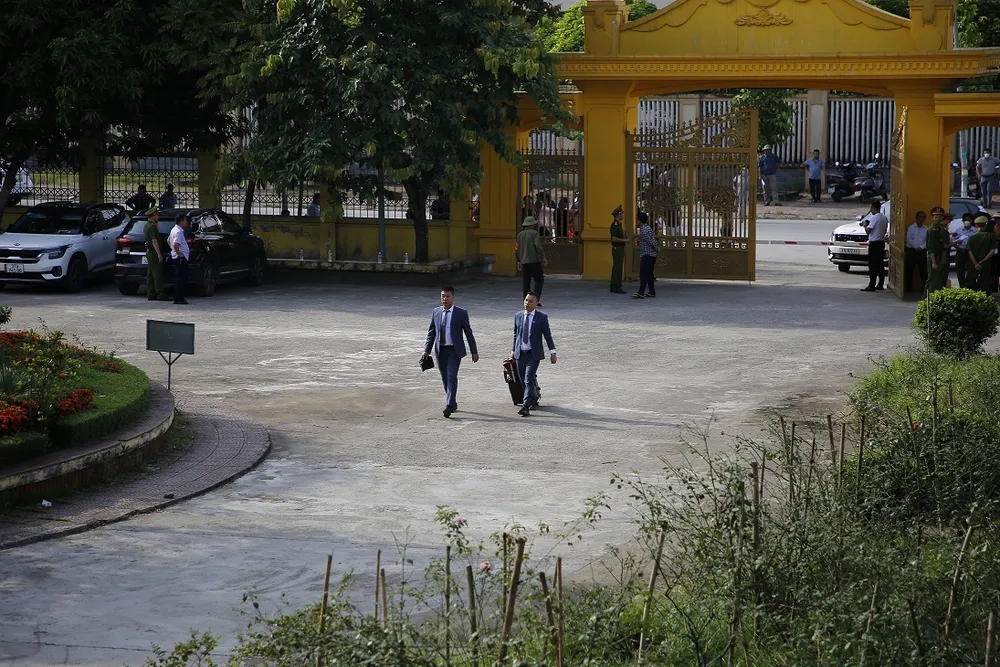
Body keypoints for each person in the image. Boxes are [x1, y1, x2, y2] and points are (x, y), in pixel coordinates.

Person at [421, 286, 479, 418]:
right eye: (443, 296)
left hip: (454, 350)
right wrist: (426, 350)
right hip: (440, 350)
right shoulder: (436, 312)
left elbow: (468, 333)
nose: (445, 299)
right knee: (445, 377)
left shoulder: (461, 313)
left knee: (452, 375)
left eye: (447, 296)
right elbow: (432, 332)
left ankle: (448, 405)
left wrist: (474, 351)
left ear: (453, 297)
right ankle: (452, 402)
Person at [511, 293, 556, 417]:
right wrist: (513, 351)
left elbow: (547, 335)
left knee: (528, 379)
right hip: (520, 353)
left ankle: (526, 406)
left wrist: (553, 352)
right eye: (526, 300)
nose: (527, 303)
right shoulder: (518, 316)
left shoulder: (541, 318)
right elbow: (516, 334)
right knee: (522, 380)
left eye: (530, 301)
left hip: (533, 354)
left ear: (536, 303)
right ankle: (532, 399)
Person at [516, 215, 545, 305]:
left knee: (526, 282)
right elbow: (538, 245)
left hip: (524, 261)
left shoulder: (520, 235)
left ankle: (526, 300)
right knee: (539, 280)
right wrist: (542, 255)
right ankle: (535, 299)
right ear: (532, 225)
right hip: (534, 260)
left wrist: (519, 261)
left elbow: (516, 249)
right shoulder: (534, 233)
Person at [860, 201, 888, 292]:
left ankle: (871, 285)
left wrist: (865, 225)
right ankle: (880, 284)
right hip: (881, 242)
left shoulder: (875, 218)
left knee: (872, 265)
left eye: (871, 208)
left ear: (873, 208)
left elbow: (868, 231)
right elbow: (884, 230)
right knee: (880, 264)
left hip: (874, 243)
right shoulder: (884, 218)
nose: (871, 210)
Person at [143, 207, 169, 301]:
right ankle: (160, 294)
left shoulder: (147, 225)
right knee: (157, 274)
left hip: (149, 251)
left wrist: (156, 223)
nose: (158, 217)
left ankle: (151, 293)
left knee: (150, 274)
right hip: (154, 252)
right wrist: (159, 254)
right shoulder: (151, 227)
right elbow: (154, 241)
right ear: (153, 216)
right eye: (156, 215)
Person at [966, 215, 997, 293]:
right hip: (985, 262)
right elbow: (992, 250)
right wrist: (983, 261)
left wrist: (976, 264)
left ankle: (973, 297)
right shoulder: (990, 236)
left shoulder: (971, 237)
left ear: (976, 225)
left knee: (971, 281)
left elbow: (970, 252)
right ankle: (984, 297)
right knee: (984, 282)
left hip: (973, 262)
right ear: (986, 224)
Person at [925, 206, 951, 294]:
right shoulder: (933, 230)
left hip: (939, 256)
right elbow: (931, 247)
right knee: (932, 280)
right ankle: (927, 298)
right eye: (935, 217)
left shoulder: (939, 229)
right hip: (934, 257)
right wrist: (934, 262)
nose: (937, 219)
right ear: (933, 218)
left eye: (939, 217)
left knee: (937, 279)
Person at [167, 213, 191, 305]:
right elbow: (175, 244)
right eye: (185, 220)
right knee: (181, 278)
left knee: (179, 277)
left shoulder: (174, 229)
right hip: (180, 258)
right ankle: (179, 298)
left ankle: (178, 297)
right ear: (181, 221)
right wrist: (179, 253)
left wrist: (173, 250)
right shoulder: (178, 232)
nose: (186, 222)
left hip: (176, 256)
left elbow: (168, 241)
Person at [633, 211, 658, 299]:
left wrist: (656, 248)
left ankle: (641, 292)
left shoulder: (644, 230)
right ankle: (652, 291)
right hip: (650, 254)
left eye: (637, 220)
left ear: (639, 221)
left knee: (643, 274)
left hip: (648, 254)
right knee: (649, 274)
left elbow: (650, 242)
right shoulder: (647, 228)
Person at [904, 210, 928, 293]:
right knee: (909, 270)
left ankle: (925, 288)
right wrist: (916, 247)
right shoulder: (911, 228)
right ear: (916, 218)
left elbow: (927, 240)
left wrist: (921, 247)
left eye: (923, 217)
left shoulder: (926, 229)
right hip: (912, 251)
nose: (921, 219)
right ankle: (908, 289)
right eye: (920, 217)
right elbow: (909, 239)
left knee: (923, 271)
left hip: (922, 252)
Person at [952, 213, 977, 288]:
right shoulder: (958, 230)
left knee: (971, 270)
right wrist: (958, 247)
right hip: (960, 252)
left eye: (968, 220)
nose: (966, 221)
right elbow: (953, 242)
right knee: (960, 270)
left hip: (970, 253)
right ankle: (962, 286)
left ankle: (969, 286)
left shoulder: (975, 231)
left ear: (971, 220)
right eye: (965, 220)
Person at [609, 205, 628, 294]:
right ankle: (615, 286)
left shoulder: (619, 224)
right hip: (617, 248)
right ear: (618, 214)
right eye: (622, 214)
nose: (623, 215)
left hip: (620, 248)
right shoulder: (615, 225)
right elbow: (614, 239)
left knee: (618, 267)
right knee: (617, 268)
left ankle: (616, 285)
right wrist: (625, 240)